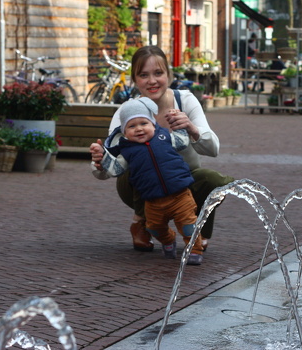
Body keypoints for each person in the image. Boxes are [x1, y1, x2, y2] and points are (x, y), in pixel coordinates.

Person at [90, 46, 234, 252]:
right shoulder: (127, 112)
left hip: (184, 180)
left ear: (169, 74)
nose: (152, 81)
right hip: (140, 187)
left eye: (158, 73)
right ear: (135, 80)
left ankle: (197, 229)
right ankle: (140, 224)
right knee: (141, 161)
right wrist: (99, 160)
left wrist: (191, 128)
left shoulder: (184, 100)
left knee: (214, 181)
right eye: (143, 75)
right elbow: (103, 169)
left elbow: (213, 149)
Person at [98, 97, 205, 265]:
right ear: (124, 132)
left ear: (153, 124)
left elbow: (182, 141)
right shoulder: (127, 150)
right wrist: (102, 156)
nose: (139, 129)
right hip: (152, 200)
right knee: (154, 228)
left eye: (144, 123)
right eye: (132, 126)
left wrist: (177, 122)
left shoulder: (164, 137)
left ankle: (195, 250)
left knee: (188, 225)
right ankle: (168, 240)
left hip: (180, 195)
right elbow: (115, 170)